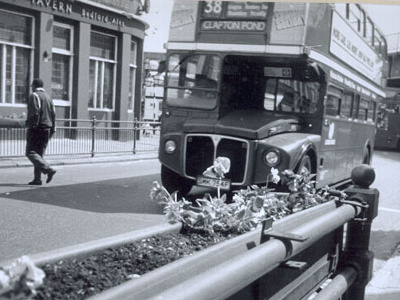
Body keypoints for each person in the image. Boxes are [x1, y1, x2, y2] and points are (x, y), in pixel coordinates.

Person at [25, 78, 57, 185]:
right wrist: (53, 128)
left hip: (37, 128)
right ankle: (37, 179)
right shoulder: (49, 97)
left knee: (30, 152)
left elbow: (35, 112)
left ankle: (48, 169)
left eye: (32, 86)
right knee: (39, 155)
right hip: (47, 128)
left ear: (34, 86)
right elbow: (53, 114)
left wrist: (31, 125)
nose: (31, 88)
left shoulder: (34, 95)